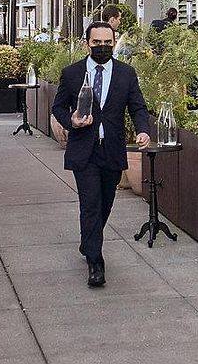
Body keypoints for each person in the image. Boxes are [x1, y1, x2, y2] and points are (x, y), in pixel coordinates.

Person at [51, 21, 150, 288]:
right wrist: (71, 121)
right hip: (84, 149)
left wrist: (143, 130)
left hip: (112, 149)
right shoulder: (72, 73)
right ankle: (95, 262)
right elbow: (58, 107)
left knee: (105, 203)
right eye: (97, 43)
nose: (103, 47)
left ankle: (88, 241)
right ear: (87, 44)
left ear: (114, 43)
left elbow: (138, 107)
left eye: (108, 43)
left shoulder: (126, 73)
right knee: (91, 203)